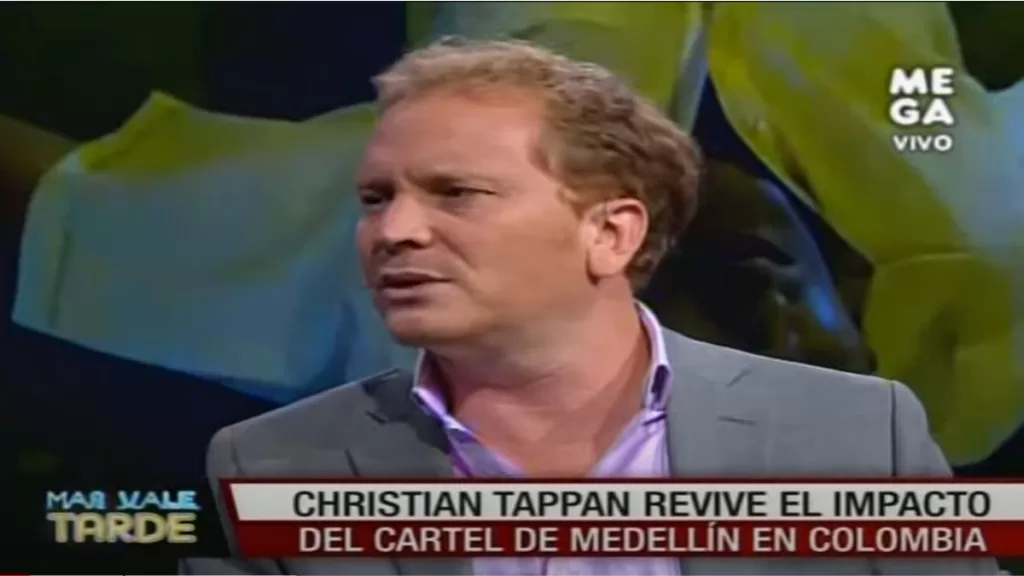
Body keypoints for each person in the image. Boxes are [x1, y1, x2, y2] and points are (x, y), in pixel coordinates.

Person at [182, 39, 1000, 576]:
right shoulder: (273, 465)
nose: (393, 231)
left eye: (457, 193)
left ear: (610, 234)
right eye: (375, 198)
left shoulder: (859, 436)